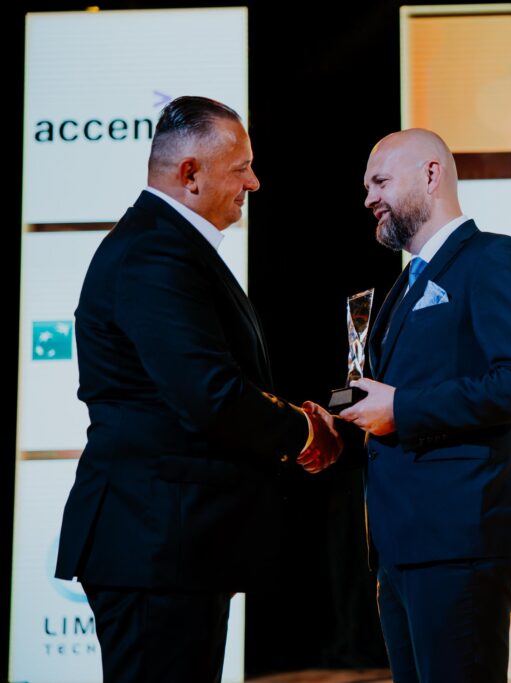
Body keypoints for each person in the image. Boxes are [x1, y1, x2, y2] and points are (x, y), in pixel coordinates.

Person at [54, 96, 342, 683]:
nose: (254, 183)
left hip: (175, 545)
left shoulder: (167, 245)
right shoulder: (155, 252)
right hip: (154, 545)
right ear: (190, 174)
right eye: (242, 168)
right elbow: (211, 395)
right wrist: (306, 431)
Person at [338, 129, 511, 682]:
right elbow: (390, 396)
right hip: (401, 544)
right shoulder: (405, 284)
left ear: (431, 175)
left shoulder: (493, 258)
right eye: (367, 187)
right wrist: (336, 418)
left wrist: (404, 408)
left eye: (380, 182)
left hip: (460, 538)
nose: (369, 198)